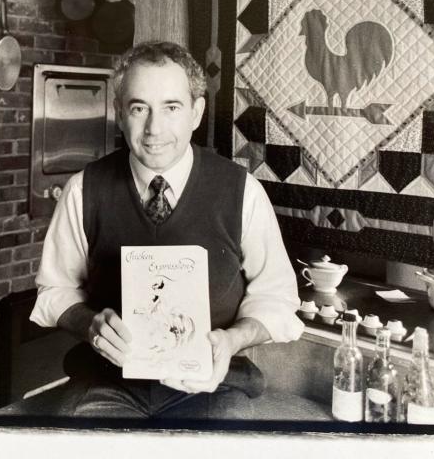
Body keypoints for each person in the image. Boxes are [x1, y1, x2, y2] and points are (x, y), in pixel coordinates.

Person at [29, 40, 303, 419]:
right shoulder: (82, 189)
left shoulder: (242, 192)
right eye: (139, 108)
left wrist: (233, 340)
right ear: (119, 114)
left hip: (211, 385)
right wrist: (89, 324)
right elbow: (55, 290)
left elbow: (277, 298)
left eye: (171, 108)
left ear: (196, 112)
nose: (154, 129)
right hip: (109, 382)